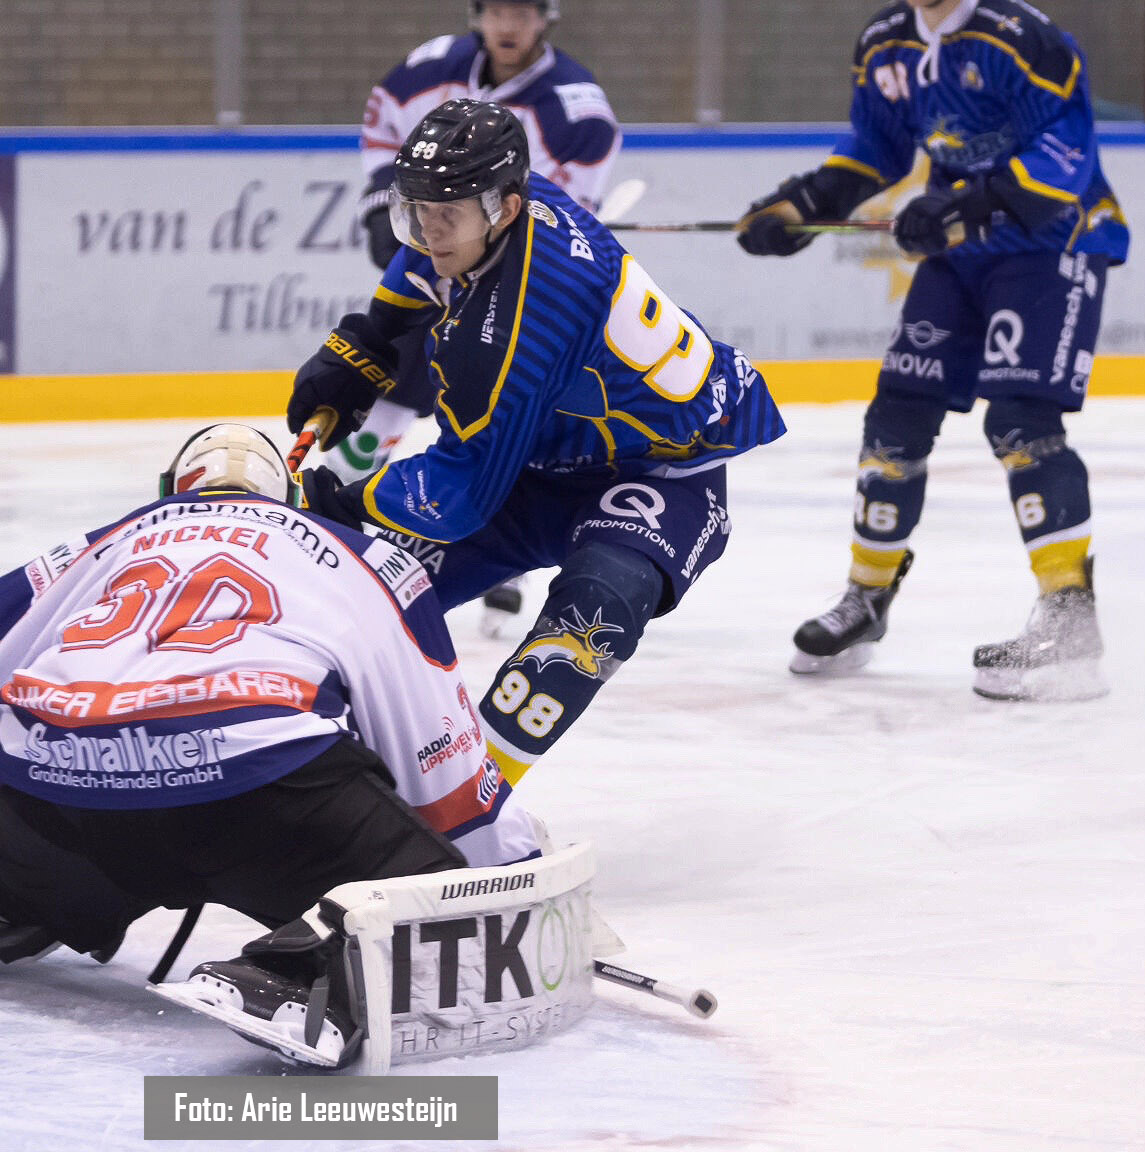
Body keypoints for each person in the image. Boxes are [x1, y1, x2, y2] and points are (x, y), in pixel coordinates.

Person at [0, 424, 544, 1064]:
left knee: (15, 842)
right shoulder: (356, 554)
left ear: (168, 492)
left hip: (64, 797)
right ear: (290, 500)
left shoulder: (98, 545)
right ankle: (305, 968)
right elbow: (443, 769)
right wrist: (511, 881)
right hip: (266, 802)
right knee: (432, 917)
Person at [286, 99, 784, 786]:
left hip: (660, 470)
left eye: (446, 215)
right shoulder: (498, 206)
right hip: (542, 454)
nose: (428, 231)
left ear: (505, 209)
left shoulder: (525, 323)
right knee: (372, 586)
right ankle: (292, 752)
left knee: (599, 605)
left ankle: (471, 797)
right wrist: (366, 343)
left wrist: (355, 502)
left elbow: (464, 488)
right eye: (417, 209)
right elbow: (427, 263)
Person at [736, 0, 1128, 701]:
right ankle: (867, 599)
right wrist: (801, 205)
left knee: (1020, 421)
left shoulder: (1023, 38)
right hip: (959, 253)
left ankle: (1071, 622)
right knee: (896, 416)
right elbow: (877, 146)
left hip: (1053, 242)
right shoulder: (884, 42)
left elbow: (1064, 159)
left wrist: (961, 206)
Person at [338, 0, 623, 636]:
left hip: (513, 282)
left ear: (546, 17)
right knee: (398, 367)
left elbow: (559, 225)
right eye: (497, 8)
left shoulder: (578, 110)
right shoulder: (431, 67)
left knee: (501, 397)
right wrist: (388, 200)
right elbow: (384, 125)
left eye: (523, 10)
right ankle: (344, 491)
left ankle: (502, 544)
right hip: (442, 247)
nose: (509, 24)